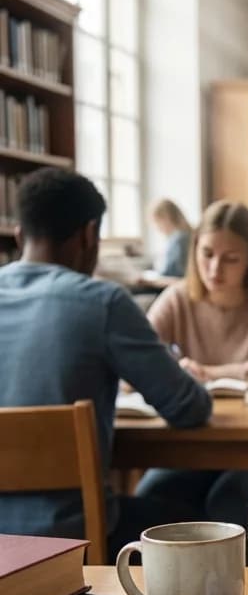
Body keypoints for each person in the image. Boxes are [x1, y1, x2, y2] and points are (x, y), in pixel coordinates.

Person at [0, 168, 211, 552]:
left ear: (18, 235)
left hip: (4, 544)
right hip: (72, 538)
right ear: (89, 234)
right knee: (207, 514)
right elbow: (188, 408)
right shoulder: (102, 303)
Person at [137, 200, 248, 524]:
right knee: (151, 500)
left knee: (230, 503)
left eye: (230, 259)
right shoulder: (178, 298)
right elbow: (137, 358)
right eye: (207, 254)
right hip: (189, 445)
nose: (215, 269)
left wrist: (214, 373)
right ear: (194, 250)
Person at [149, 198, 192, 281]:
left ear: (166, 218)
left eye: (157, 222)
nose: (157, 228)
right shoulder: (182, 236)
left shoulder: (179, 239)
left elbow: (171, 272)